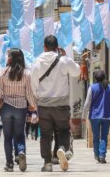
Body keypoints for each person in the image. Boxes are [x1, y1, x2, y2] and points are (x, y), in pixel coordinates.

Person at [30, 35, 80, 172]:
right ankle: (62, 149)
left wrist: (37, 99)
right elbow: (77, 71)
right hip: (61, 105)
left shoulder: (37, 62)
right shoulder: (64, 60)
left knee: (45, 134)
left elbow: (33, 83)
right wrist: (67, 57)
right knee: (63, 130)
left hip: (44, 105)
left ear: (44, 47)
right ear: (57, 47)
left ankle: (47, 163)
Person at [0, 48, 37, 172]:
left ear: (10, 59)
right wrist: (34, 107)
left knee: (7, 136)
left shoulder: (2, 73)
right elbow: (29, 93)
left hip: (6, 107)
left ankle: (9, 164)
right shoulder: (27, 74)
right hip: (21, 108)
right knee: (19, 134)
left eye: (8, 56)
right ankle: (21, 152)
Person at [82, 69, 110, 164]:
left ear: (95, 78)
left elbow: (87, 103)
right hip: (107, 116)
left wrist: (83, 115)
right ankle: (102, 155)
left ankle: (97, 154)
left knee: (96, 136)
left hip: (94, 116)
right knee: (104, 137)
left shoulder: (92, 88)